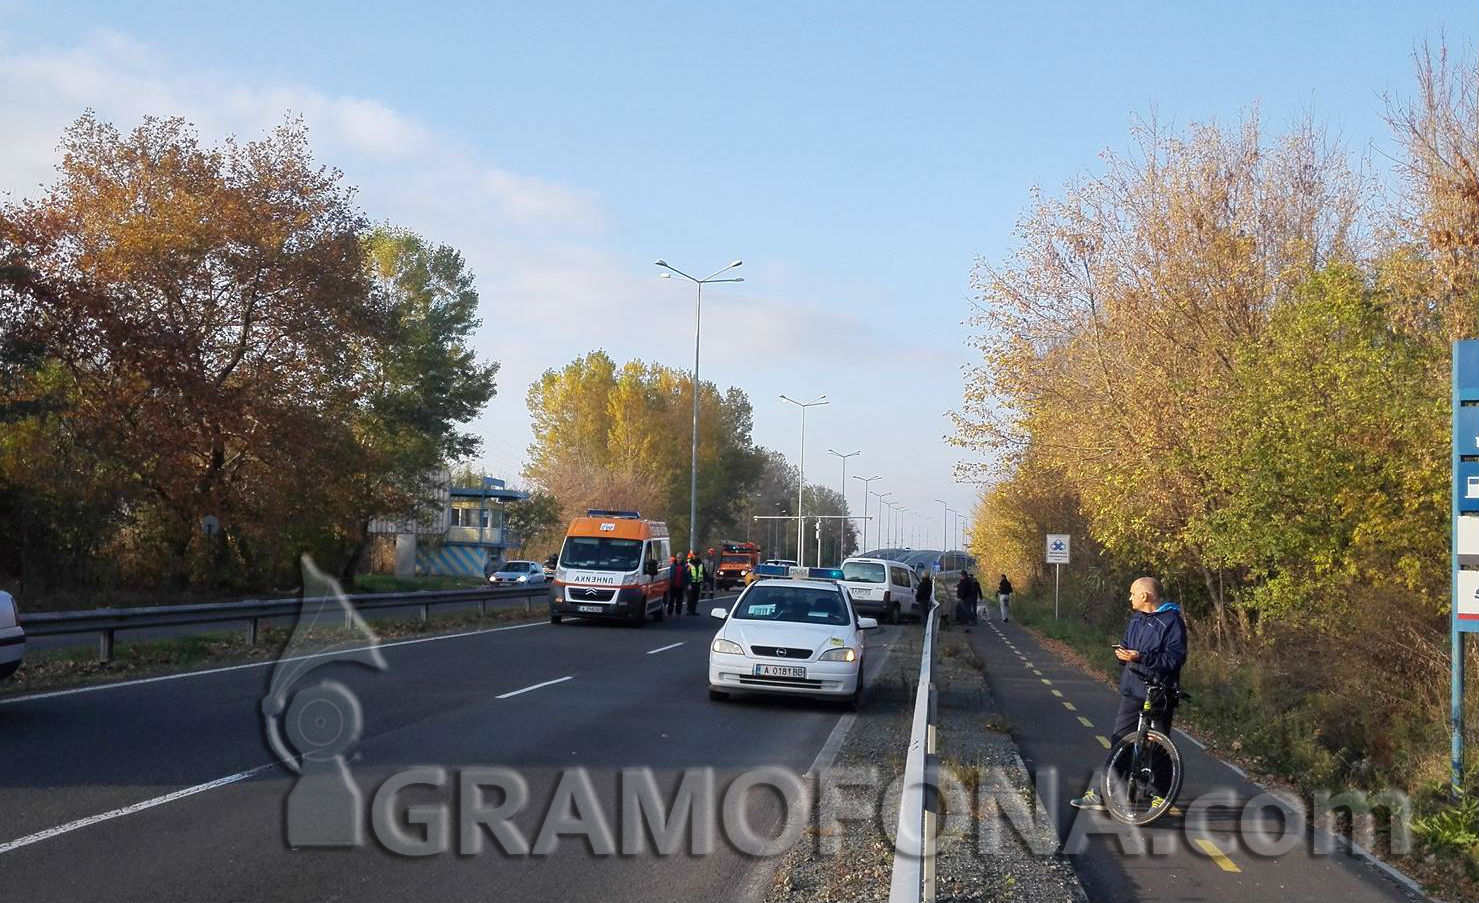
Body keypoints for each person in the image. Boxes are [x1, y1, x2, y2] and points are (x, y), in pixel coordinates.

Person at [1071, 576, 1187, 811]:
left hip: (1158, 692)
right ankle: (1106, 793)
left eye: (1133, 593)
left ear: (1145, 596)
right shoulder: (1136, 619)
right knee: (1119, 741)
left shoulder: (1172, 621)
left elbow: (1175, 658)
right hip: (1132, 689)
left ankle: (1160, 796)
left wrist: (1141, 657)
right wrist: (1123, 654)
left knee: (1159, 745)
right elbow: (1127, 643)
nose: (1130, 597)